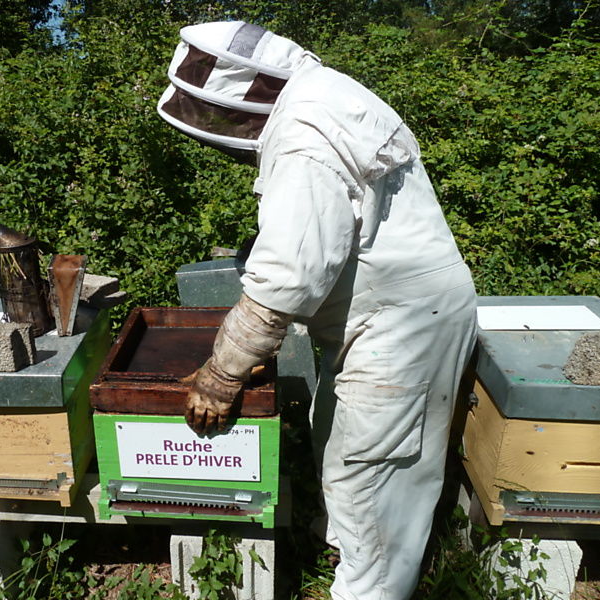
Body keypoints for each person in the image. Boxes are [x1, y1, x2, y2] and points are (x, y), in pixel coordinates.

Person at [157, 21, 478, 600]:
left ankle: (369, 587)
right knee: (338, 432)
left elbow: (290, 273)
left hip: (398, 329)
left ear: (243, 90)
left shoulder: (304, 128)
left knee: (371, 471)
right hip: (394, 315)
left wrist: (225, 370)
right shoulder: (324, 93)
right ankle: (348, 554)